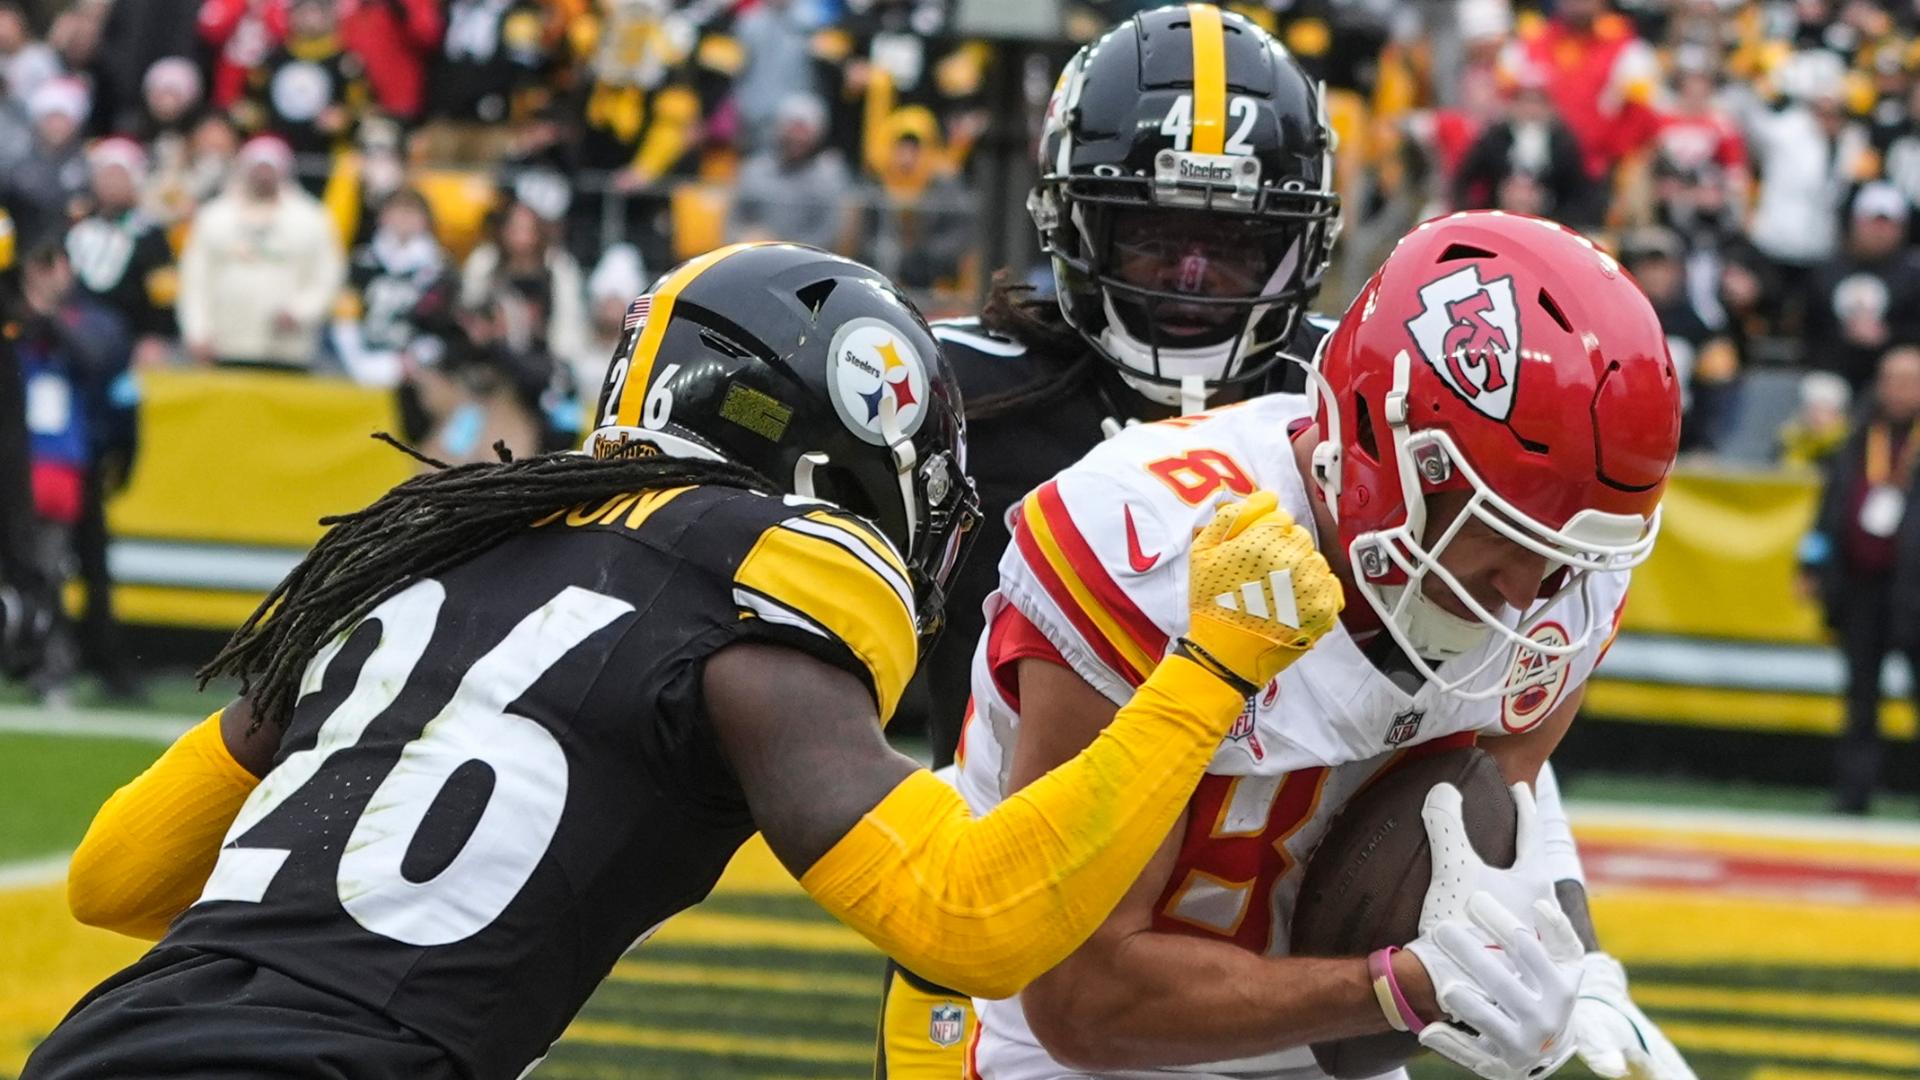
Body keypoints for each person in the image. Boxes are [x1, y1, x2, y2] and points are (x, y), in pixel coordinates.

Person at [30, 242, 1345, 1080]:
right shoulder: (761, 575)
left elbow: (116, 877)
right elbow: (973, 921)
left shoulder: (431, 546)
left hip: (106, 1048)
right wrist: (1211, 669)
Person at [943, 213, 1697, 1080]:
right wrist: (1399, 993)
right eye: (1506, 536)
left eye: (1564, 556)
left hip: (1326, 1035)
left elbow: (1496, 802)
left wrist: (1574, 958)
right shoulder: (1150, 545)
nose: (1528, 595)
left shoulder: (1573, 575)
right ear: (1382, 444)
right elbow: (1081, 1003)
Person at [1800, 344, 1920, 814]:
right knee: (1860, 695)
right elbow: (1829, 508)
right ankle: (1854, 793)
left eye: (1909, 381)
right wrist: (1812, 564)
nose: (1898, 390)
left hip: (1914, 588)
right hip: (1862, 586)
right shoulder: (1857, 437)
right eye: (1890, 379)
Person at [176, 135, 344, 370]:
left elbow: (328, 276)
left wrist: (301, 311)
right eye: (257, 168)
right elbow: (195, 280)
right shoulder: (215, 216)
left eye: (269, 169)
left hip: (288, 348)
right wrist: (197, 331)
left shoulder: (312, 219)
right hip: (225, 344)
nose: (263, 176)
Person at [1803, 182, 1920, 392]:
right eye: (1872, 222)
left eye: (1887, 224)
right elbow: (1809, 329)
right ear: (1855, 223)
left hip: (1893, 370)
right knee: (1822, 392)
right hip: (1834, 370)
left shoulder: (1913, 275)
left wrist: (1888, 336)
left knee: (1905, 370)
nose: (1879, 232)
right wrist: (1844, 334)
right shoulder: (1828, 271)